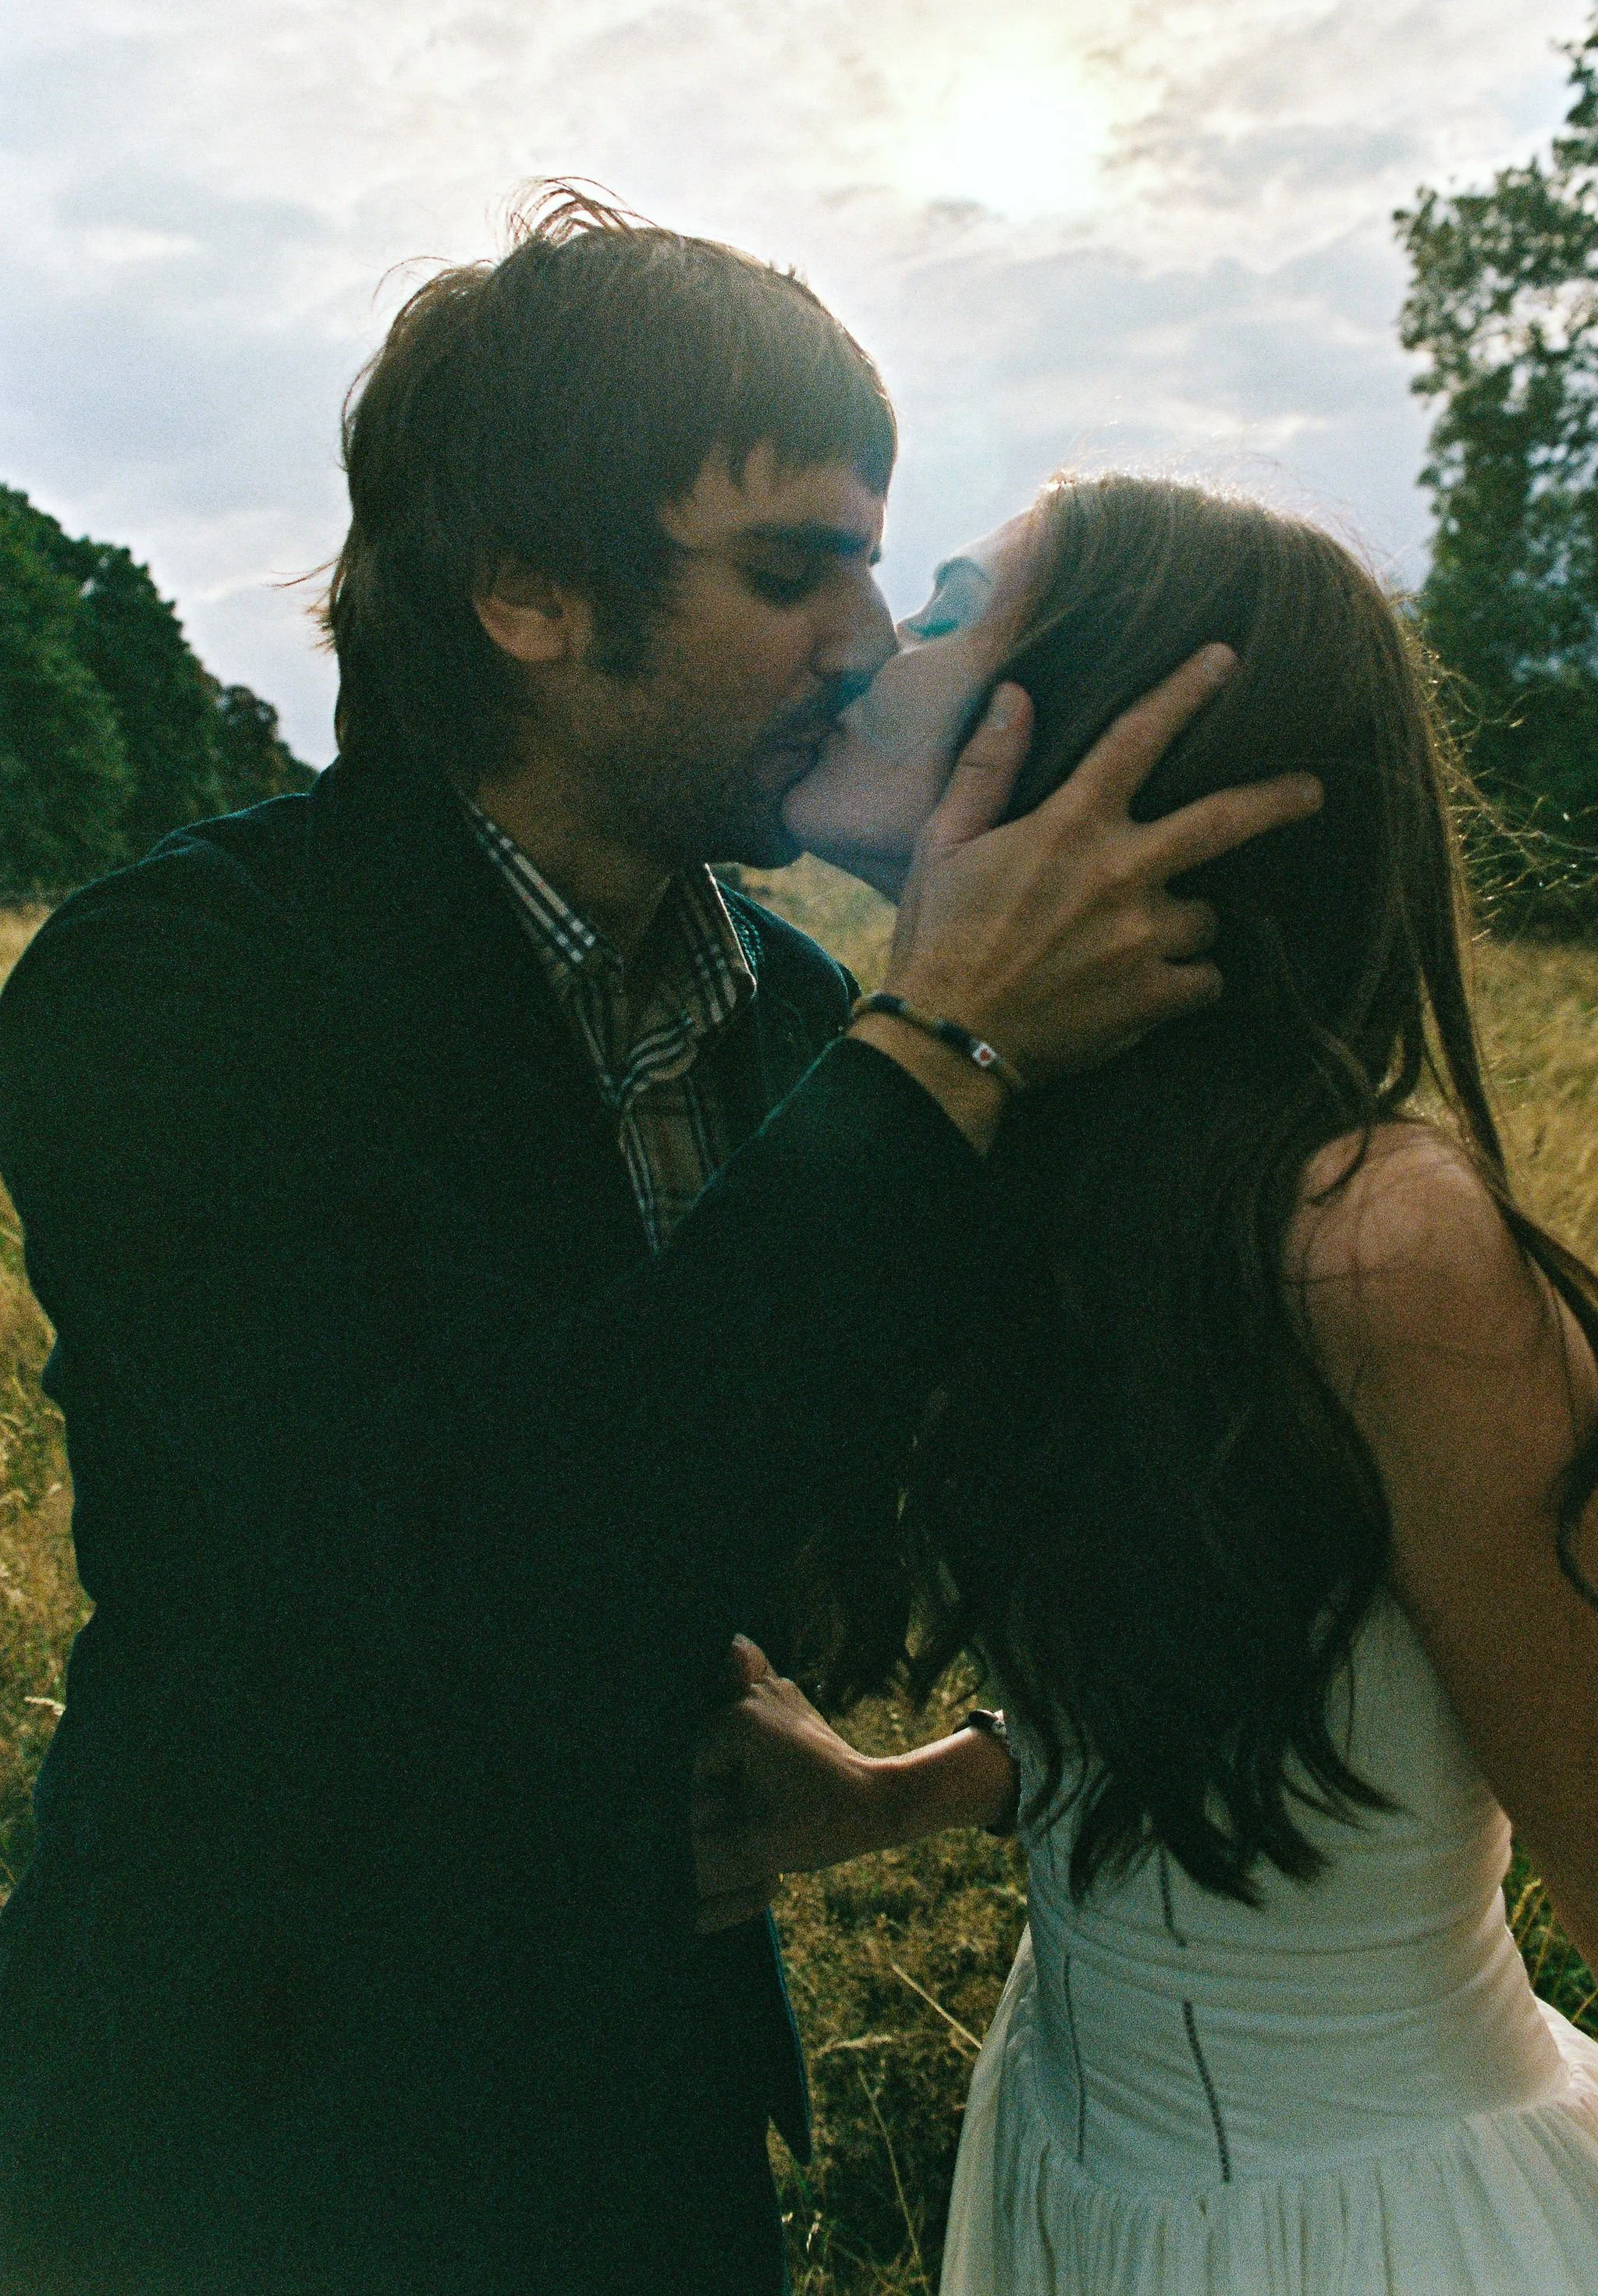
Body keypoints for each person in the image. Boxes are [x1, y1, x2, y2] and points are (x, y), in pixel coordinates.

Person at [0, 196, 1319, 2296]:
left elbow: (1035, 1557)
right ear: (530, 592)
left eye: (877, 563)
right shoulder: (175, 989)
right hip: (239, 2130)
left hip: (649, 2115)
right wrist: (946, 1043)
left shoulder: (811, 1034)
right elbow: (459, 1573)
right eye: (791, 567)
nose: (868, 635)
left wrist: (919, 1771)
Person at [696, 474, 1598, 2294]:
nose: (877, 642)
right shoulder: (1024, 1156)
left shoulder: (1374, 1243)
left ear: (1112, 727)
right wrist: (910, 1795)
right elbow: (1260, 1696)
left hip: (1381, 2226)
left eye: (949, 602)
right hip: (1072, 2173)